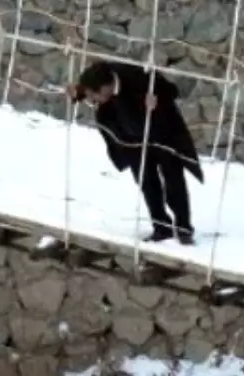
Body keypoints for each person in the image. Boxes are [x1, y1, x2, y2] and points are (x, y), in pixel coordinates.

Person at [68, 59, 204, 245]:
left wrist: (157, 99)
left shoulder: (139, 77)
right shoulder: (97, 80)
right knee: (147, 182)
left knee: (174, 182)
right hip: (132, 140)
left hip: (163, 135)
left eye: (95, 96)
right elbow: (85, 91)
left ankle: (184, 229)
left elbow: (172, 90)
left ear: (106, 88)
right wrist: (77, 94)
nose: (94, 101)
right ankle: (161, 226)